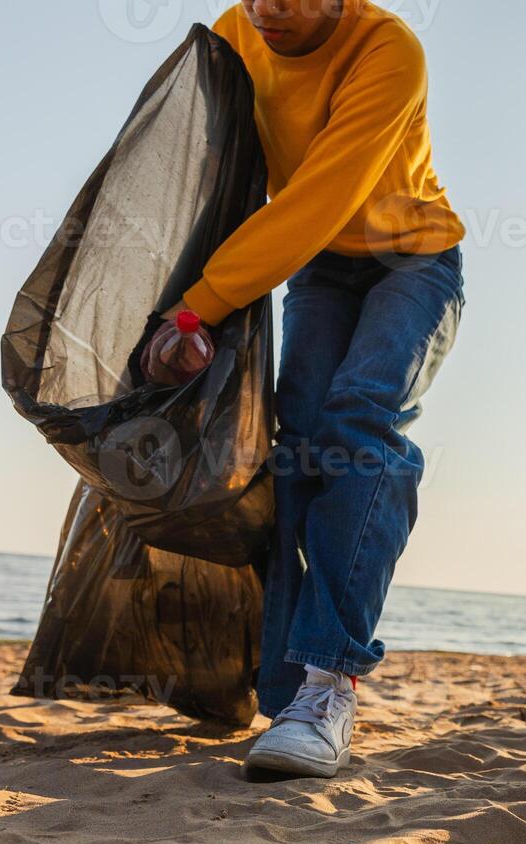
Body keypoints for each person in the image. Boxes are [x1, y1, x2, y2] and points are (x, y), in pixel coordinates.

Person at [144, 0, 466, 777]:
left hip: (412, 260)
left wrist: (201, 305)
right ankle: (282, 683)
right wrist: (166, 308)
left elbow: (321, 196)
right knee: (296, 448)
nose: (270, 9)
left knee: (357, 421)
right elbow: (196, 170)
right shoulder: (233, 35)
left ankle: (329, 685)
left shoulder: (388, 49)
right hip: (320, 269)